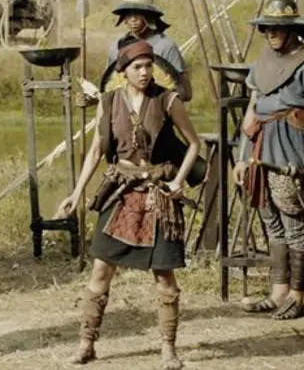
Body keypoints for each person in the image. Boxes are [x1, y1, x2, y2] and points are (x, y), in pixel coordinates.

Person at [56, 40, 202, 369]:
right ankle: (86, 345)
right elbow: (96, 151)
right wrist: (76, 193)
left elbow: (194, 144)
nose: (145, 72)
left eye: (149, 66)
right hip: (120, 193)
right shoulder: (108, 102)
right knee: (101, 270)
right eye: (137, 67)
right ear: (123, 71)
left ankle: (168, 349)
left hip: (158, 195)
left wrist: (178, 181)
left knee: (164, 277)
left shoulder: (168, 100)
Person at [234, 0, 304, 320]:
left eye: (278, 28)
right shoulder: (262, 61)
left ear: (293, 30)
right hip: (261, 148)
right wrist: (242, 156)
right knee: (270, 220)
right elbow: (252, 110)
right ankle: (278, 294)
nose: (271, 33)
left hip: (293, 148)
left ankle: (297, 297)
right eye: (267, 28)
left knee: (295, 222)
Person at [104, 0, 191, 102]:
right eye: (128, 13)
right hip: (121, 110)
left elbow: (186, 93)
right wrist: (92, 99)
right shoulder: (116, 47)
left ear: (149, 15)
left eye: (138, 13)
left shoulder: (165, 46)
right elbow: (108, 89)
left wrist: (161, 95)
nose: (133, 19)